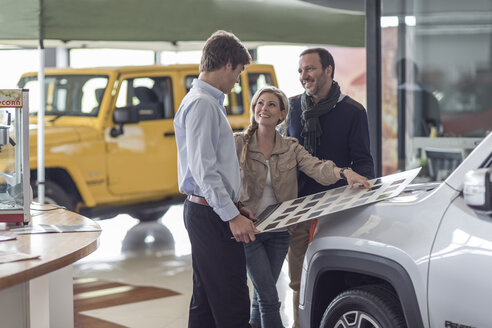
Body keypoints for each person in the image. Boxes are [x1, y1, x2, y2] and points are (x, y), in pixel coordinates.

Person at [235, 86, 370, 328]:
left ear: (282, 114)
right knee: (268, 298)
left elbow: (317, 167)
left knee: (260, 294)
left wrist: (344, 172)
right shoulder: (238, 144)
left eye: (271, 105)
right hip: (250, 231)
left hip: (279, 232)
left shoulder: (290, 147)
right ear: (254, 109)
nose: (264, 108)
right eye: (260, 103)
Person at [173, 30, 259, 328]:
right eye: (238, 71)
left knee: (207, 302)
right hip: (210, 214)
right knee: (232, 302)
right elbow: (204, 170)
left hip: (209, 210)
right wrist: (231, 216)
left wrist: (234, 206)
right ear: (226, 64)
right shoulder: (202, 104)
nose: (238, 80)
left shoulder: (205, 101)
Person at [287, 48, 375, 328]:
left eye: (310, 69)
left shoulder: (353, 111)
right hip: (298, 210)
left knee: (338, 276)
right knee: (299, 280)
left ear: (328, 70)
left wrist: (361, 204)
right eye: (301, 70)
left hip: (337, 210)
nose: (304, 76)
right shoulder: (290, 108)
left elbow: (363, 163)